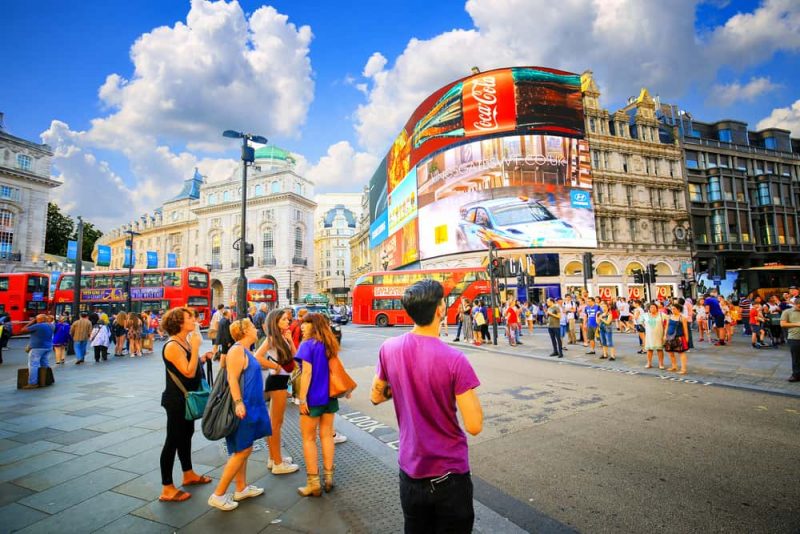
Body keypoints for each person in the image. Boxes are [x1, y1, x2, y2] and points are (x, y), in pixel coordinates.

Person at [370, 279, 482, 533]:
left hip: (410, 472)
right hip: (450, 475)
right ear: (440, 309)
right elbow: (474, 425)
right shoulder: (455, 359)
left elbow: (375, 396)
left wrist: (403, 383)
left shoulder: (389, 348)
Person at [209, 319, 272, 511]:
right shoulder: (237, 350)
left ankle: (241, 487)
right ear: (245, 331)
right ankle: (218, 494)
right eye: (252, 327)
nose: (255, 329)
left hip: (252, 404)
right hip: (244, 406)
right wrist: (238, 403)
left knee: (244, 447)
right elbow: (232, 378)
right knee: (242, 450)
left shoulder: (245, 350)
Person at [158, 307, 213, 502]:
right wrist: (197, 346)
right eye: (189, 318)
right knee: (172, 441)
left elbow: (189, 365)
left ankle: (188, 474)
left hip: (185, 398)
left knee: (186, 436)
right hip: (176, 400)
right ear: (179, 323)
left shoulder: (184, 342)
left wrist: (202, 358)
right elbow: (188, 373)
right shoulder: (173, 345)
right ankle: (167, 487)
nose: (194, 320)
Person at [294, 313, 342, 497]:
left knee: (308, 439)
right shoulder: (329, 344)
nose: (303, 327)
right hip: (330, 397)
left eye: (306, 323)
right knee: (327, 435)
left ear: (314, 325)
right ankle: (329, 477)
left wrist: (302, 398)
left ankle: (313, 483)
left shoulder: (307, 345)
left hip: (313, 398)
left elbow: (306, 374)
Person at [263, 309, 300, 475]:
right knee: (275, 425)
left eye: (287, 319)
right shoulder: (271, 339)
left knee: (275, 423)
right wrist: (275, 366)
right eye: (284, 319)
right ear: (275, 321)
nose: (288, 322)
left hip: (281, 381)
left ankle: (273, 458)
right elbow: (257, 356)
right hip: (277, 382)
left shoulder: (282, 338)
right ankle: (278, 462)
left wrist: (290, 340)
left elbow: (296, 356)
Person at [22, 314, 55, 389]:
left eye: (36, 319)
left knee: (33, 365)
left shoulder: (38, 326)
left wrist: (31, 322)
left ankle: (33, 383)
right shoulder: (51, 326)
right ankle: (47, 380)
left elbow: (23, 329)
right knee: (45, 364)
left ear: (39, 319)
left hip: (37, 348)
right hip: (48, 346)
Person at [665, 303, 689, 374]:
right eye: (672, 309)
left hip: (679, 337)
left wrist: (687, 338)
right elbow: (667, 327)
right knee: (670, 352)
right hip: (669, 337)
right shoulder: (669, 317)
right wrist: (664, 335)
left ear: (678, 309)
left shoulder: (682, 318)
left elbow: (685, 329)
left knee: (681, 353)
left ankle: (683, 369)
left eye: (674, 309)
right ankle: (674, 366)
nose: (672, 310)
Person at [779, 299, 800, 382]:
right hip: (794, 338)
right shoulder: (787, 312)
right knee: (796, 358)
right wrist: (797, 324)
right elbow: (782, 324)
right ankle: (796, 375)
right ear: (795, 304)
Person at [644, 303, 667, 370]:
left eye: (654, 307)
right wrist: (646, 328)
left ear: (657, 308)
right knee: (649, 349)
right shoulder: (646, 315)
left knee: (659, 349)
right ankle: (649, 363)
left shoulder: (661, 315)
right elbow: (640, 321)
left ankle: (661, 363)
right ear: (649, 309)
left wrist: (665, 332)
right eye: (651, 307)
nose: (652, 309)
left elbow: (668, 319)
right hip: (649, 335)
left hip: (659, 334)